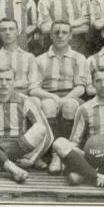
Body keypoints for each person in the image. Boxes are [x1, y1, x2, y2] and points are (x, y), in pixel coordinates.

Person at [30, 21, 88, 174]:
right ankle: (55, 154)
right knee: (48, 105)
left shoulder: (78, 58)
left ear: (70, 36)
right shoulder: (40, 59)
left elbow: (81, 87)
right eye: (56, 32)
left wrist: (65, 98)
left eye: (64, 32)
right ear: (50, 35)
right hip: (48, 94)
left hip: (71, 94)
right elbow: (34, 88)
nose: (60, 35)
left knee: (69, 105)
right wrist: (53, 97)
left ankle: (68, 153)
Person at [0, 18, 40, 98]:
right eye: (3, 30)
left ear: (18, 31)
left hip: (23, 100)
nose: (7, 32)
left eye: (11, 29)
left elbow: (33, 85)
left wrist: (3, 87)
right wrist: (19, 84)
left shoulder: (29, 58)